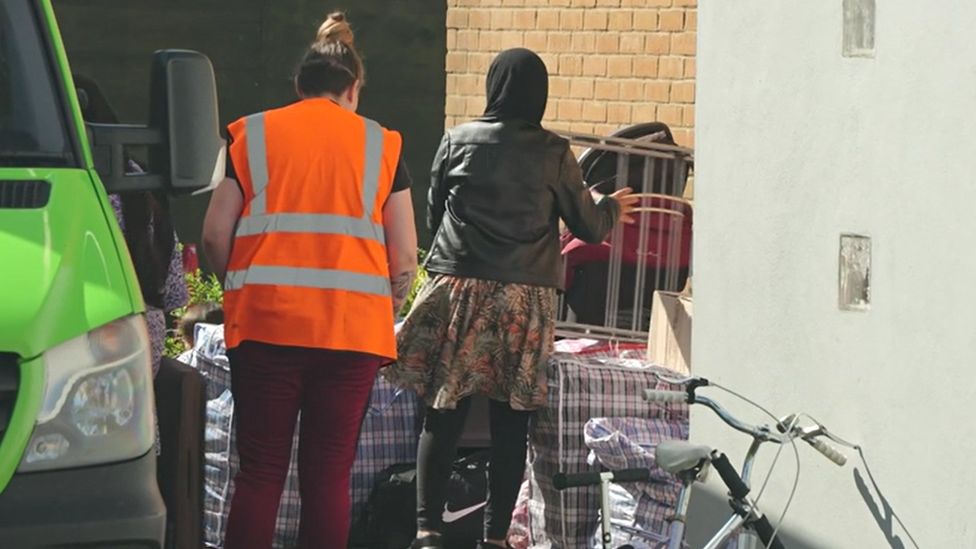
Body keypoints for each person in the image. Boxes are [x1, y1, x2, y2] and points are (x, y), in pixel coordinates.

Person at [383, 48, 638, 549]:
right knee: (510, 421)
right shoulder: (553, 151)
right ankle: (496, 538)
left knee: (444, 411)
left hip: (460, 288)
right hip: (525, 299)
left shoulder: (457, 140)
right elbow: (586, 225)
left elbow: (435, 217)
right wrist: (610, 208)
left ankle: (427, 531)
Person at [201, 12, 417, 549]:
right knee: (327, 476)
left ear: (298, 87)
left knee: (261, 471)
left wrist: (241, 289)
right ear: (354, 88)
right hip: (350, 337)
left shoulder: (251, 136)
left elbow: (211, 237)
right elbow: (406, 255)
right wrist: (388, 302)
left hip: (267, 328)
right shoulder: (383, 146)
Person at [74, 74, 189, 376]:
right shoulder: (138, 179)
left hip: (73, 336)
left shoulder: (68, 188)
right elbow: (173, 291)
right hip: (137, 337)